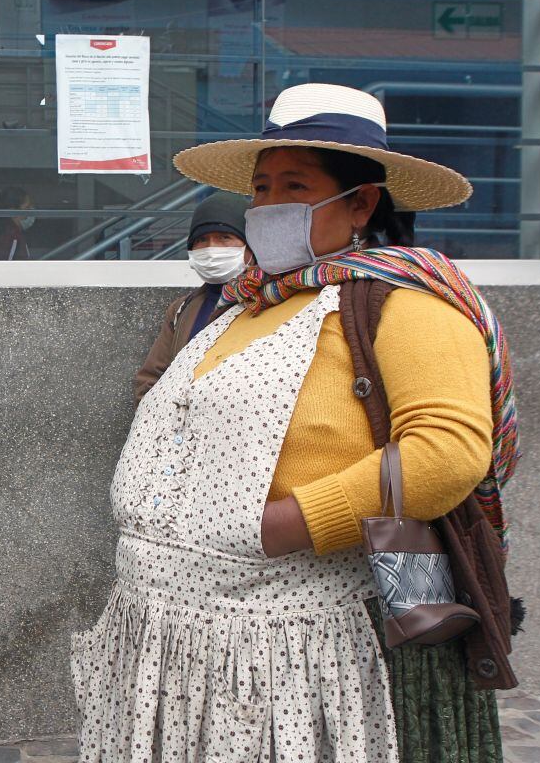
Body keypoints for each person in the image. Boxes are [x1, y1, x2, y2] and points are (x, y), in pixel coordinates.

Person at [72, 83, 516, 763]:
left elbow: (446, 454)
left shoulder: (407, 303)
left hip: (292, 641)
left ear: (361, 201)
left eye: (294, 186)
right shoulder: (251, 302)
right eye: (262, 187)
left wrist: (276, 526)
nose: (268, 206)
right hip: (175, 630)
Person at [134, 191, 248, 402]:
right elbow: (151, 378)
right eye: (202, 239)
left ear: (249, 246)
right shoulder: (182, 309)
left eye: (224, 237)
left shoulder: (265, 303)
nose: (212, 248)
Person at [0, 186, 34, 260]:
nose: (30, 212)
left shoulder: (3, 232)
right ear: (13, 212)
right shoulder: (13, 236)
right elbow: (5, 267)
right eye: (27, 208)